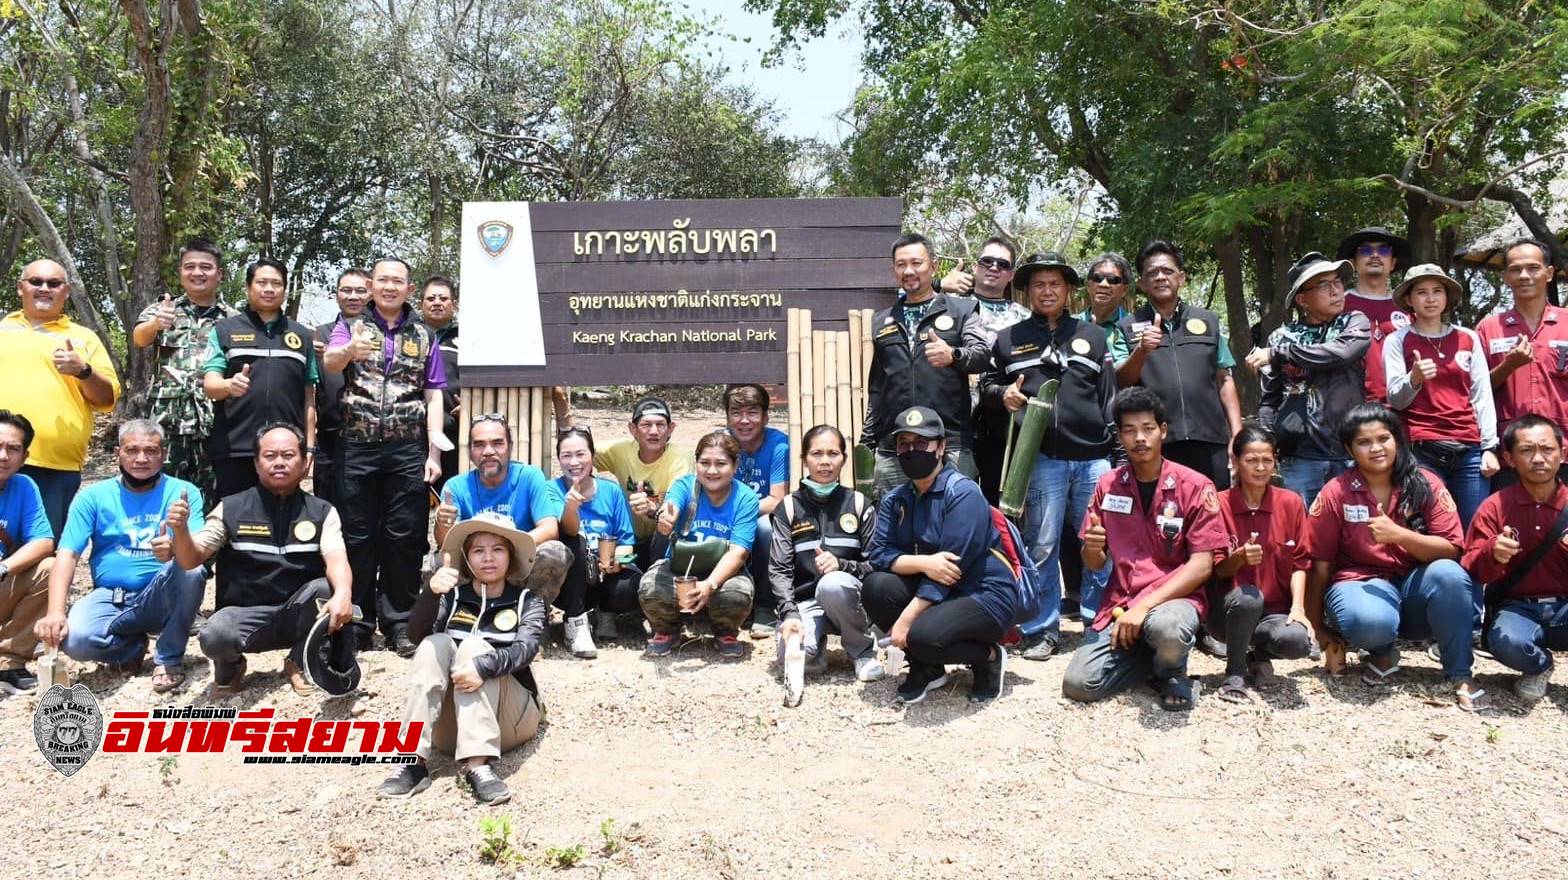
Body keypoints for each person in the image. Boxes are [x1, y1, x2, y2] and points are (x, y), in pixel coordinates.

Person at [979, 252, 1115, 660]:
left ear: (1069, 289)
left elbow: (1110, 399)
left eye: (1055, 283)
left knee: (1099, 542)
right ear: (1027, 291)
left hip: (1094, 459)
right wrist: (1002, 394)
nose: (1047, 291)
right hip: (1040, 460)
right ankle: (1042, 628)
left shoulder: (1093, 336)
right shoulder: (1007, 339)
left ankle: (1098, 623)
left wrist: (1117, 457)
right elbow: (986, 386)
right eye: (1039, 284)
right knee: (1042, 545)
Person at [1305, 404, 1484, 710]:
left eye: (1384, 438)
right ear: (1349, 448)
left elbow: (1452, 547)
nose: (1376, 448)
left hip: (1416, 586)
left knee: (1450, 575)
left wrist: (1401, 536)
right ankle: (1381, 650)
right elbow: (1319, 564)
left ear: (1398, 441)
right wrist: (1316, 626)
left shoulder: (1424, 482)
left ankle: (1459, 673)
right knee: (1369, 621)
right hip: (1359, 582)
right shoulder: (1336, 492)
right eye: (1363, 442)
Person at [1061, 388, 1227, 711]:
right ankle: (1149, 655)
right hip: (1121, 604)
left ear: (1163, 431)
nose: (1139, 437)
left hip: (1173, 601)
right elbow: (1094, 563)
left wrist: (1144, 608)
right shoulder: (1108, 485)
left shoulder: (1194, 486)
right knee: (1079, 684)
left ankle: (1172, 671)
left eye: (1148, 428)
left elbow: (1202, 565)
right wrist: (1092, 548)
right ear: (1120, 436)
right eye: (1129, 430)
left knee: (1167, 628)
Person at [378, 512, 547, 806]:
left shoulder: (528, 600)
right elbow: (416, 637)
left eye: (497, 549)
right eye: (478, 551)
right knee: (436, 643)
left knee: (473, 647)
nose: (488, 558)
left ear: (511, 556)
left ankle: (479, 765)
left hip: (510, 720)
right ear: (466, 559)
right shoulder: (452, 596)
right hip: (452, 728)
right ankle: (412, 761)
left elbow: (527, 649)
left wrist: (482, 665)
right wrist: (430, 594)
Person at [174, 423, 355, 697]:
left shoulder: (322, 511)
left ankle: (300, 659)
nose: (279, 462)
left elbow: (337, 558)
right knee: (215, 634)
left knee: (328, 588)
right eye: (270, 456)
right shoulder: (231, 507)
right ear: (256, 464)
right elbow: (191, 559)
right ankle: (231, 668)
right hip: (245, 617)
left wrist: (343, 593)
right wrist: (180, 532)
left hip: (297, 614)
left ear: (305, 462)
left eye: (288, 455)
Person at [323, 257, 446, 655]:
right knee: (358, 535)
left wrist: (434, 451)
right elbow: (329, 361)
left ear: (409, 289)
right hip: (357, 444)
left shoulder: (425, 334)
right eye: (383, 280)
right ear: (371, 285)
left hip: (407, 446)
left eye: (398, 281)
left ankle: (400, 623)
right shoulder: (352, 324)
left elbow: (434, 392)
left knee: (405, 535)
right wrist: (349, 351)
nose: (390, 287)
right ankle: (357, 622)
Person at [33, 420, 206, 693]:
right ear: (118, 454)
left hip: (161, 596)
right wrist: (55, 612)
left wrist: (176, 543)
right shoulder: (92, 497)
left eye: (150, 451)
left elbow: (196, 555)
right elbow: (66, 555)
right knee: (75, 640)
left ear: (164, 453)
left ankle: (169, 659)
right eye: (132, 450)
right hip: (111, 597)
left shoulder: (184, 493)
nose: (141, 458)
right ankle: (130, 649)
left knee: (191, 570)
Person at [862, 406, 1016, 704]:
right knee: (876, 587)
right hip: (933, 587)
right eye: (904, 444)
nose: (911, 451)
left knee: (922, 636)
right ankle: (928, 667)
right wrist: (924, 563)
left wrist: (905, 619)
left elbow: (950, 571)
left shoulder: (963, 493)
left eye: (921, 443)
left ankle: (989, 657)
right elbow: (879, 554)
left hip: (983, 593)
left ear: (941, 447)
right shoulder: (897, 499)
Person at [0, 259, 122, 538]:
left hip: (56, 467)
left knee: (42, 547)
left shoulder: (83, 338)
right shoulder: (2, 330)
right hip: (2, 457)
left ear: (65, 292)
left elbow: (107, 400)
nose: (45, 288)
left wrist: (83, 371)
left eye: (54, 283)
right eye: (36, 282)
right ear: (21, 288)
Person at [862, 233, 991, 495]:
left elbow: (981, 355)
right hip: (894, 446)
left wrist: (953, 355)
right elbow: (877, 387)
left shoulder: (962, 310)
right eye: (901, 265)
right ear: (894, 270)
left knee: (955, 523)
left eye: (916, 263)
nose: (909, 270)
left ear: (933, 266)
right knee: (894, 524)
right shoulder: (881, 321)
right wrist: (869, 440)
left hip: (949, 444)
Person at [1113, 241, 1242, 488]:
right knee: (1165, 518)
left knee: (1213, 514)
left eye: (1167, 271)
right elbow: (1120, 380)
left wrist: (1236, 433)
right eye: (1152, 273)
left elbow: (1224, 378)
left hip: (1210, 439)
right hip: (1158, 443)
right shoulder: (1127, 328)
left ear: (1181, 277)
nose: (1160, 277)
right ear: (1141, 283)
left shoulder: (1208, 321)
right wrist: (1141, 350)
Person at [435, 415, 572, 646]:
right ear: (470, 451)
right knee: (438, 564)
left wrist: (510, 548)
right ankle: (468, 615)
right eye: (479, 445)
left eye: (497, 443)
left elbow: (550, 528)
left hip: (521, 564)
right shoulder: (455, 486)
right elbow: (445, 544)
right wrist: (442, 523)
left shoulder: (530, 476)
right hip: (477, 567)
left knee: (555, 552)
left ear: (510, 447)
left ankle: (533, 615)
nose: (488, 451)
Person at [1250, 252, 1372, 508]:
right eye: (1324, 285)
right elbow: (1269, 400)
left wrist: (1278, 354)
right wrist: (1269, 444)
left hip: (1351, 450)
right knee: (1304, 532)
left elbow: (1342, 353)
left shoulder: (1354, 322)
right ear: (1302, 299)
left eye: (1338, 281)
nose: (1336, 290)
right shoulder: (1280, 337)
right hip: (1300, 456)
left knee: (1355, 530)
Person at [1462, 414, 1568, 702]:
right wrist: (1492, 553)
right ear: (1508, 458)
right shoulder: (1495, 506)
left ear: (1563, 452)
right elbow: (1471, 567)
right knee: (1507, 643)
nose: (1538, 458)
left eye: (1547, 449)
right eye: (1526, 450)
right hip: (1517, 608)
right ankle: (1540, 665)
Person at [1384, 264, 1499, 526]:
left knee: (1476, 526)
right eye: (1422, 292)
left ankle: (1470, 570)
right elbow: (1394, 399)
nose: (1431, 298)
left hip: (1469, 448)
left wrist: (1490, 447)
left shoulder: (1468, 338)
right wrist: (1414, 379)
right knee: (1429, 527)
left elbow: (1482, 394)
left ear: (1447, 297)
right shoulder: (1398, 340)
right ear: (1409, 300)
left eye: (1437, 291)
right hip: (1421, 449)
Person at [770, 425, 884, 683]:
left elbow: (877, 564)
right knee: (794, 657)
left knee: (832, 584)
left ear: (844, 458)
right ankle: (814, 647)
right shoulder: (788, 507)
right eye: (816, 454)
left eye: (833, 453)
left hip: (849, 599)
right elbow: (779, 569)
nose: (824, 461)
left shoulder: (858, 504)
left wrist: (842, 565)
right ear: (804, 459)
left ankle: (863, 650)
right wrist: (789, 613)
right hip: (806, 603)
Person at [131, 238, 238, 510]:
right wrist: (156, 324)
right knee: (163, 495)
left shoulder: (233, 319)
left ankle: (205, 553)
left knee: (211, 498)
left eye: (206, 267)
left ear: (219, 274)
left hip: (214, 423)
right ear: (180, 272)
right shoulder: (163, 309)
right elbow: (139, 338)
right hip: (168, 423)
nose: (197, 273)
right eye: (190, 266)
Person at [1210, 426, 1314, 703]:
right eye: (1251, 460)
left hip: (1274, 612)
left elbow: (1300, 563)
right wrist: (1240, 558)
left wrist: (1299, 609)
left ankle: (1258, 656)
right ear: (1235, 461)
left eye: (1267, 460)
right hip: (1228, 611)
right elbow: (1216, 569)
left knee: (1297, 642)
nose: (1260, 467)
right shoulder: (1218, 504)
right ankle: (1235, 671)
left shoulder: (1291, 502)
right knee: (1248, 598)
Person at [203, 257, 319, 498]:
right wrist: (228, 385)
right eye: (262, 282)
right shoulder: (225, 330)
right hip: (235, 448)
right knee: (235, 522)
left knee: (283, 523)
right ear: (248, 287)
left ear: (285, 290)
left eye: (276, 283)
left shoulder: (301, 335)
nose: (269, 289)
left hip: (284, 452)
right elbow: (210, 384)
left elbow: (309, 399)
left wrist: (308, 447)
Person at [639, 431, 759, 659]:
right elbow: (671, 506)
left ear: (735, 466)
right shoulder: (685, 485)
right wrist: (665, 518)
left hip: (723, 573)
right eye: (705, 463)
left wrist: (710, 585)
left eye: (721, 464)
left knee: (737, 595)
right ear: (696, 464)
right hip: (678, 568)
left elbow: (739, 553)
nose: (712, 471)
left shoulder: (746, 498)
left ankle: (725, 633)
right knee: (649, 588)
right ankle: (667, 630)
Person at [1478, 238, 1568, 462]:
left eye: (1533, 268)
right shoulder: (1487, 328)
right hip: (1510, 452)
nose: (1524, 275)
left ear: (1548, 273)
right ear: (1506, 277)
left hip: (1563, 447)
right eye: (1515, 270)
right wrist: (1508, 366)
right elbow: (1475, 391)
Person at [553, 426, 639, 658]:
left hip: (603, 576)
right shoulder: (552, 490)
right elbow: (568, 530)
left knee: (632, 585)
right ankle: (575, 622)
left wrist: (618, 561)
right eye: (566, 455)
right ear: (558, 459)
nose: (574, 462)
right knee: (576, 542)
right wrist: (571, 506)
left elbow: (628, 542)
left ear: (592, 456)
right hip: (569, 580)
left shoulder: (611, 491)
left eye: (581, 454)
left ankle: (605, 612)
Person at [959, 237, 1030, 504]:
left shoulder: (1023, 318)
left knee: (996, 504)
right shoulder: (949, 306)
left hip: (1002, 425)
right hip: (955, 423)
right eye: (987, 261)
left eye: (1002, 264)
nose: (993, 268)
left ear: (1011, 274)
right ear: (976, 267)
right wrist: (938, 284)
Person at [593, 397, 691, 568]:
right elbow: (580, 449)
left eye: (660, 425)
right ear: (633, 429)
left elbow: (676, 506)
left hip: (665, 539)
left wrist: (653, 509)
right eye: (646, 425)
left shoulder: (680, 458)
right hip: (629, 539)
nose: (654, 431)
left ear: (670, 429)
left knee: (665, 526)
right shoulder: (620, 451)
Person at [723, 383, 789, 638]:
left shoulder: (779, 446)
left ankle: (765, 605)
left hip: (760, 518)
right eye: (736, 413)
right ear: (727, 417)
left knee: (764, 528)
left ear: (765, 416)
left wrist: (738, 515)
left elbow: (776, 500)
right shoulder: (721, 442)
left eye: (752, 412)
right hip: (726, 517)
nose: (744, 420)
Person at [0, 410, 56, 694]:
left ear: (24, 456)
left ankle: (8, 663)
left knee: (49, 568)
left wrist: (4, 567)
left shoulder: (23, 486)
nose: (3, 456)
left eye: (13, 449)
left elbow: (44, 541)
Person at [312, 268, 371, 507]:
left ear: (370, 293)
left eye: (360, 290)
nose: (353, 296)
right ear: (336, 295)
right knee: (326, 508)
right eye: (346, 290)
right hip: (329, 439)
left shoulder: (383, 333)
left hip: (370, 440)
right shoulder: (319, 334)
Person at [1336, 226, 1411, 402]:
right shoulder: (1337, 306)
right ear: (1353, 262)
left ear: (1393, 263)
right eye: (1366, 250)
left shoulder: (1408, 308)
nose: (1375, 255)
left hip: (1403, 408)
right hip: (1350, 409)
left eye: (1383, 250)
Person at [420, 275, 462, 490]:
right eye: (431, 298)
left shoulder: (467, 337)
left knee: (450, 503)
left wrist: (471, 403)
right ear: (421, 304)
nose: (437, 302)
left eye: (443, 298)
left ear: (454, 304)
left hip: (456, 433)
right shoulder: (411, 335)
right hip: (414, 436)